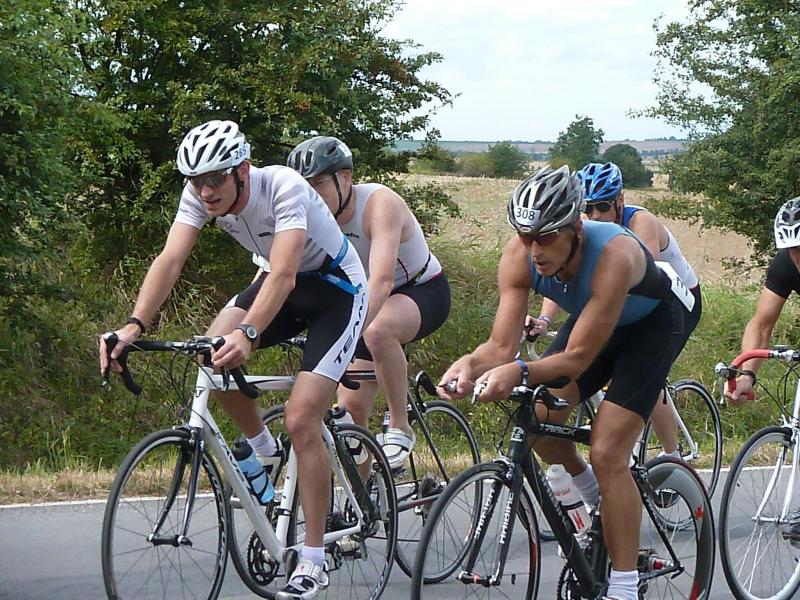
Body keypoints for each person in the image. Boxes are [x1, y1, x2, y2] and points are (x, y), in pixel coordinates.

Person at [99, 120, 367, 600]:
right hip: (280, 286)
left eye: (214, 178)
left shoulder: (283, 186)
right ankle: (263, 449)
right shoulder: (199, 197)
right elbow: (170, 260)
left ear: (242, 169)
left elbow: (284, 273)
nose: (205, 191)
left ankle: (313, 558)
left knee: (301, 418)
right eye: (195, 181)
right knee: (211, 353)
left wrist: (248, 333)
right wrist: (135, 325)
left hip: (337, 291)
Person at [438, 165, 691, 600]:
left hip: (655, 323)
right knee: (538, 420)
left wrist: (518, 371)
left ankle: (624, 587)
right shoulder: (519, 255)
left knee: (608, 449)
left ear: (576, 228)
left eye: (546, 236)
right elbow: (501, 344)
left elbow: (575, 359)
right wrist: (469, 364)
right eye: (526, 236)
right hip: (598, 318)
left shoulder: (614, 254)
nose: (535, 249)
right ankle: (593, 494)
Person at [282, 136, 451, 469]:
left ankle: (400, 426)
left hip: (420, 289)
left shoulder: (379, 204)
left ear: (345, 178)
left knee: (378, 331)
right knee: (350, 412)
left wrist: (345, 333)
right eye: (304, 187)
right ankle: (368, 495)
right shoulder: (307, 215)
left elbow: (382, 280)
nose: (311, 195)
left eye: (318, 184)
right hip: (364, 300)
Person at [529, 162, 702, 460]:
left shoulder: (641, 222)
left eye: (603, 206)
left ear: (620, 201)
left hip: (674, 300)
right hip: (616, 298)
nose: (595, 215)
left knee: (647, 372)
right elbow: (564, 278)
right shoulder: (583, 234)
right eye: (588, 209)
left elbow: (643, 282)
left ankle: (673, 455)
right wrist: (545, 319)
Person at [726, 197, 800, 546]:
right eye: (793, 249)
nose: (798, 257)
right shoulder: (785, 264)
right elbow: (761, 324)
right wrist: (746, 374)